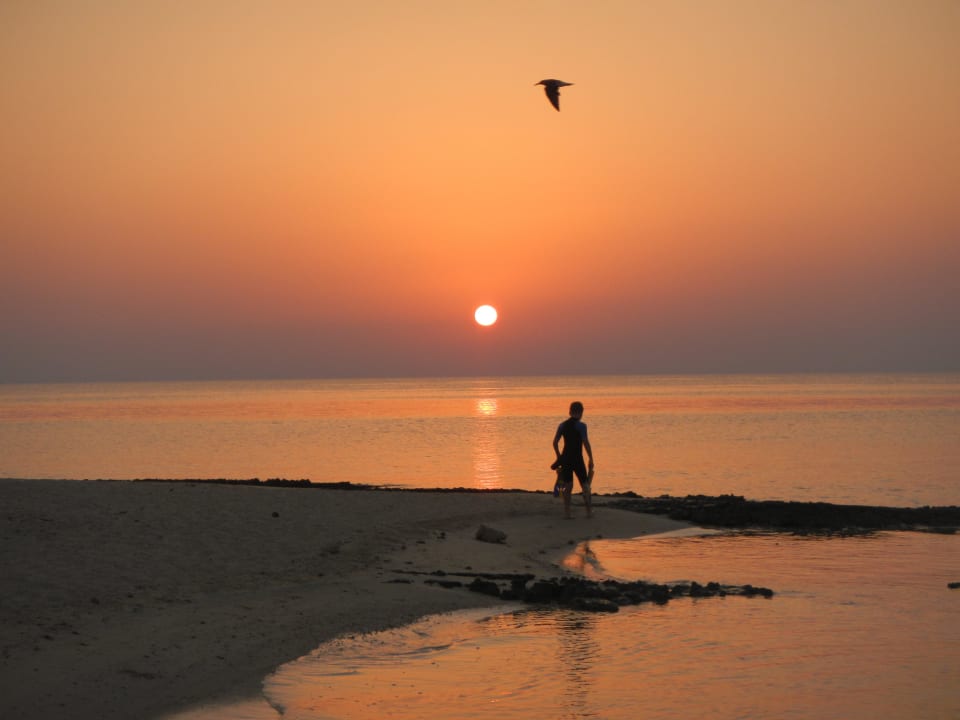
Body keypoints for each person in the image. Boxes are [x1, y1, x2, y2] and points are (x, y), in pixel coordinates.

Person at [552, 401, 595, 519]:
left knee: (568, 485)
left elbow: (555, 442)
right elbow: (586, 443)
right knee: (585, 485)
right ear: (581, 413)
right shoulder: (581, 426)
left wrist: (559, 457)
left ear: (570, 412)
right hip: (577, 459)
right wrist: (591, 458)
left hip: (565, 458)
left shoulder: (562, 425)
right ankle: (589, 512)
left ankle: (567, 513)